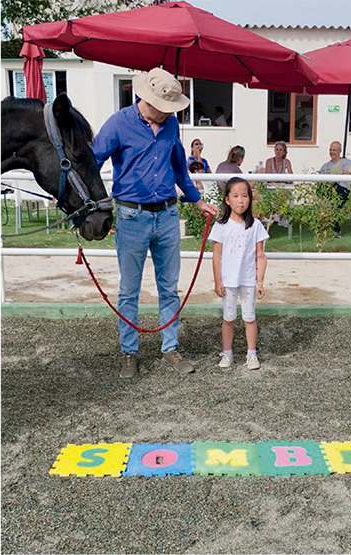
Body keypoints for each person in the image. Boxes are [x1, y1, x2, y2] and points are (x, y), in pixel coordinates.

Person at [92, 67, 218, 379]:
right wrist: (79, 197)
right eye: (165, 109)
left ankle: (170, 348)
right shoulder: (119, 124)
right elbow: (92, 160)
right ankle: (129, 353)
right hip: (131, 215)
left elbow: (179, 168)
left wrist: (197, 200)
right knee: (129, 289)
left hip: (167, 214)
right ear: (147, 101)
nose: (168, 114)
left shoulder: (171, 124)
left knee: (169, 287)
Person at [209, 177, 269, 371]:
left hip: (248, 280)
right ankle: (227, 353)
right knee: (228, 318)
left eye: (245, 196)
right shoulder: (221, 226)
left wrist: (260, 282)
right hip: (228, 281)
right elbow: (216, 256)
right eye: (236, 196)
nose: (241, 200)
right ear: (227, 199)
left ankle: (251, 353)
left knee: (249, 317)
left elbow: (260, 255)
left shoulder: (256, 225)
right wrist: (217, 281)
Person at [320, 140, 351, 238]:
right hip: (329, 191)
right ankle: (332, 228)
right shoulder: (325, 166)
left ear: (340, 151)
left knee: (335, 196)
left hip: (343, 190)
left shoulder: (346, 162)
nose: (332, 152)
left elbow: (347, 174)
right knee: (325, 192)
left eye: (334, 150)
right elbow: (321, 180)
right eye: (330, 150)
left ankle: (334, 229)